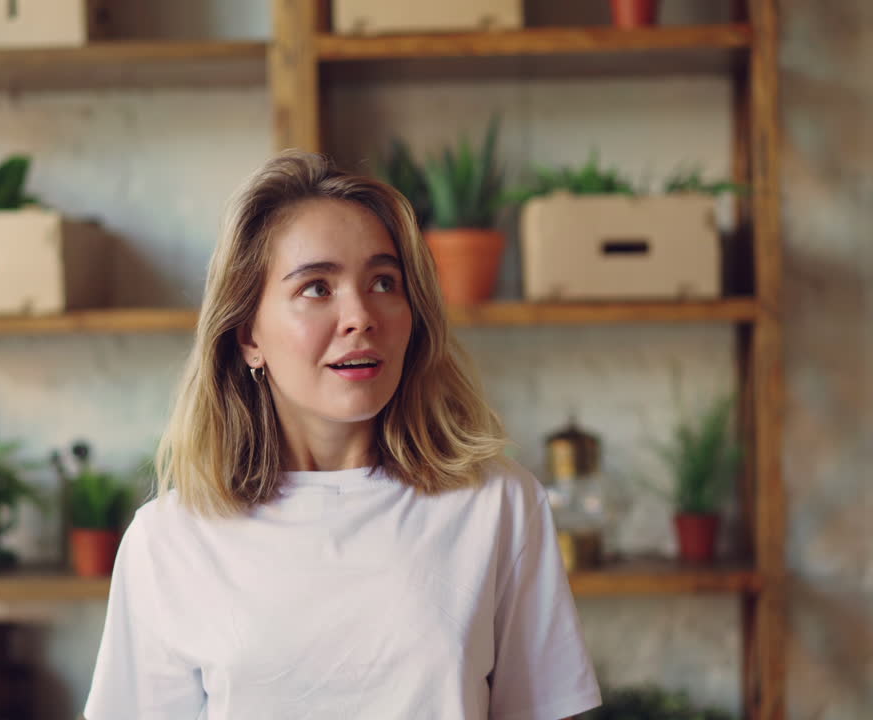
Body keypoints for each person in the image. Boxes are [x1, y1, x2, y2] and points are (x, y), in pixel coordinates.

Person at [84, 151, 601, 720]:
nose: (361, 316)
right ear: (249, 336)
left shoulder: (497, 505)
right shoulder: (169, 540)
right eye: (316, 288)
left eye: (383, 282)